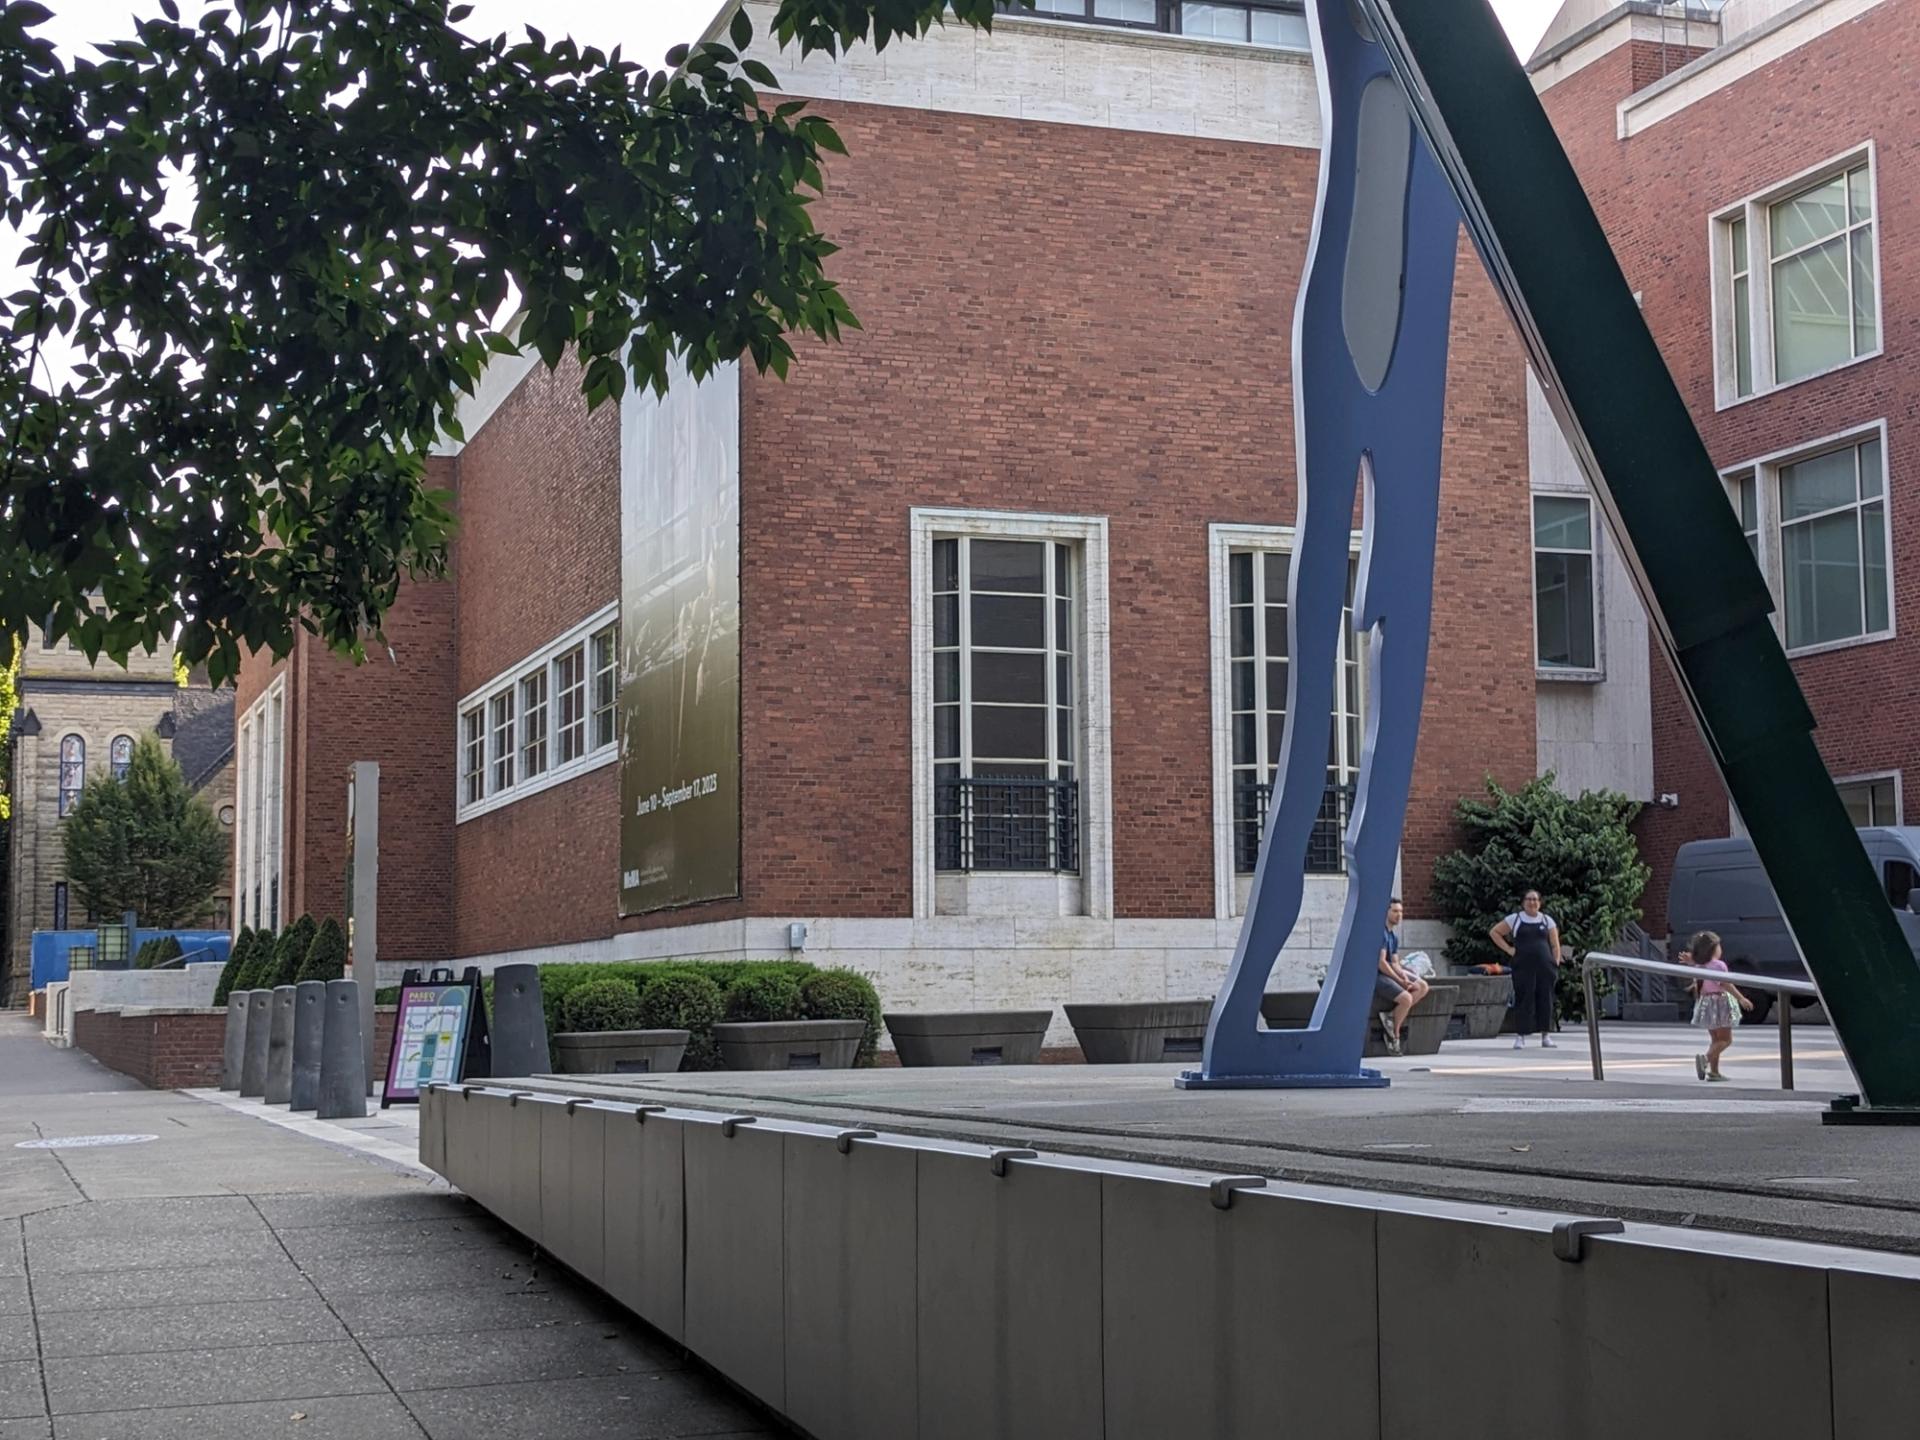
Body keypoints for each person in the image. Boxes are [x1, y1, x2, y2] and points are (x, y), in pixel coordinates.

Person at [1490, 891, 1561, 1049]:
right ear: (1523, 902)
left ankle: (1546, 1036)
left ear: (1540, 903)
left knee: (1546, 999)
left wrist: (1555, 963)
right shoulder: (1515, 919)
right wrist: (1509, 949)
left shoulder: (1547, 920)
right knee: (1523, 998)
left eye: (1535, 899)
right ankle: (1521, 1036)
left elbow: (1555, 945)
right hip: (1522, 966)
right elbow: (1494, 932)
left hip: (1545, 967)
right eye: (1529, 899)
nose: (1532, 902)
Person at [1684, 930, 1753, 1081]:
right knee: (1726, 1040)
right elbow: (1725, 983)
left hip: (1706, 1004)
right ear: (1713, 949)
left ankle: (1714, 1072)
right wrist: (1741, 998)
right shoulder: (1719, 965)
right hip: (1720, 1003)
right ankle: (1705, 1059)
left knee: (1715, 1040)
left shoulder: (1699, 966)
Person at [1375, 898, 1430, 1056]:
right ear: (1386, 913)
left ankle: (1391, 1017)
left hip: (1388, 972)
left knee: (1422, 986)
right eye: (1395, 911)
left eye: (1401, 911)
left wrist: (1406, 977)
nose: (1399, 915)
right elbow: (1381, 964)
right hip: (1376, 976)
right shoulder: (1381, 933)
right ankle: (1393, 1035)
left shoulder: (1394, 936)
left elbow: (1395, 963)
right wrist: (1400, 981)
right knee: (1406, 998)